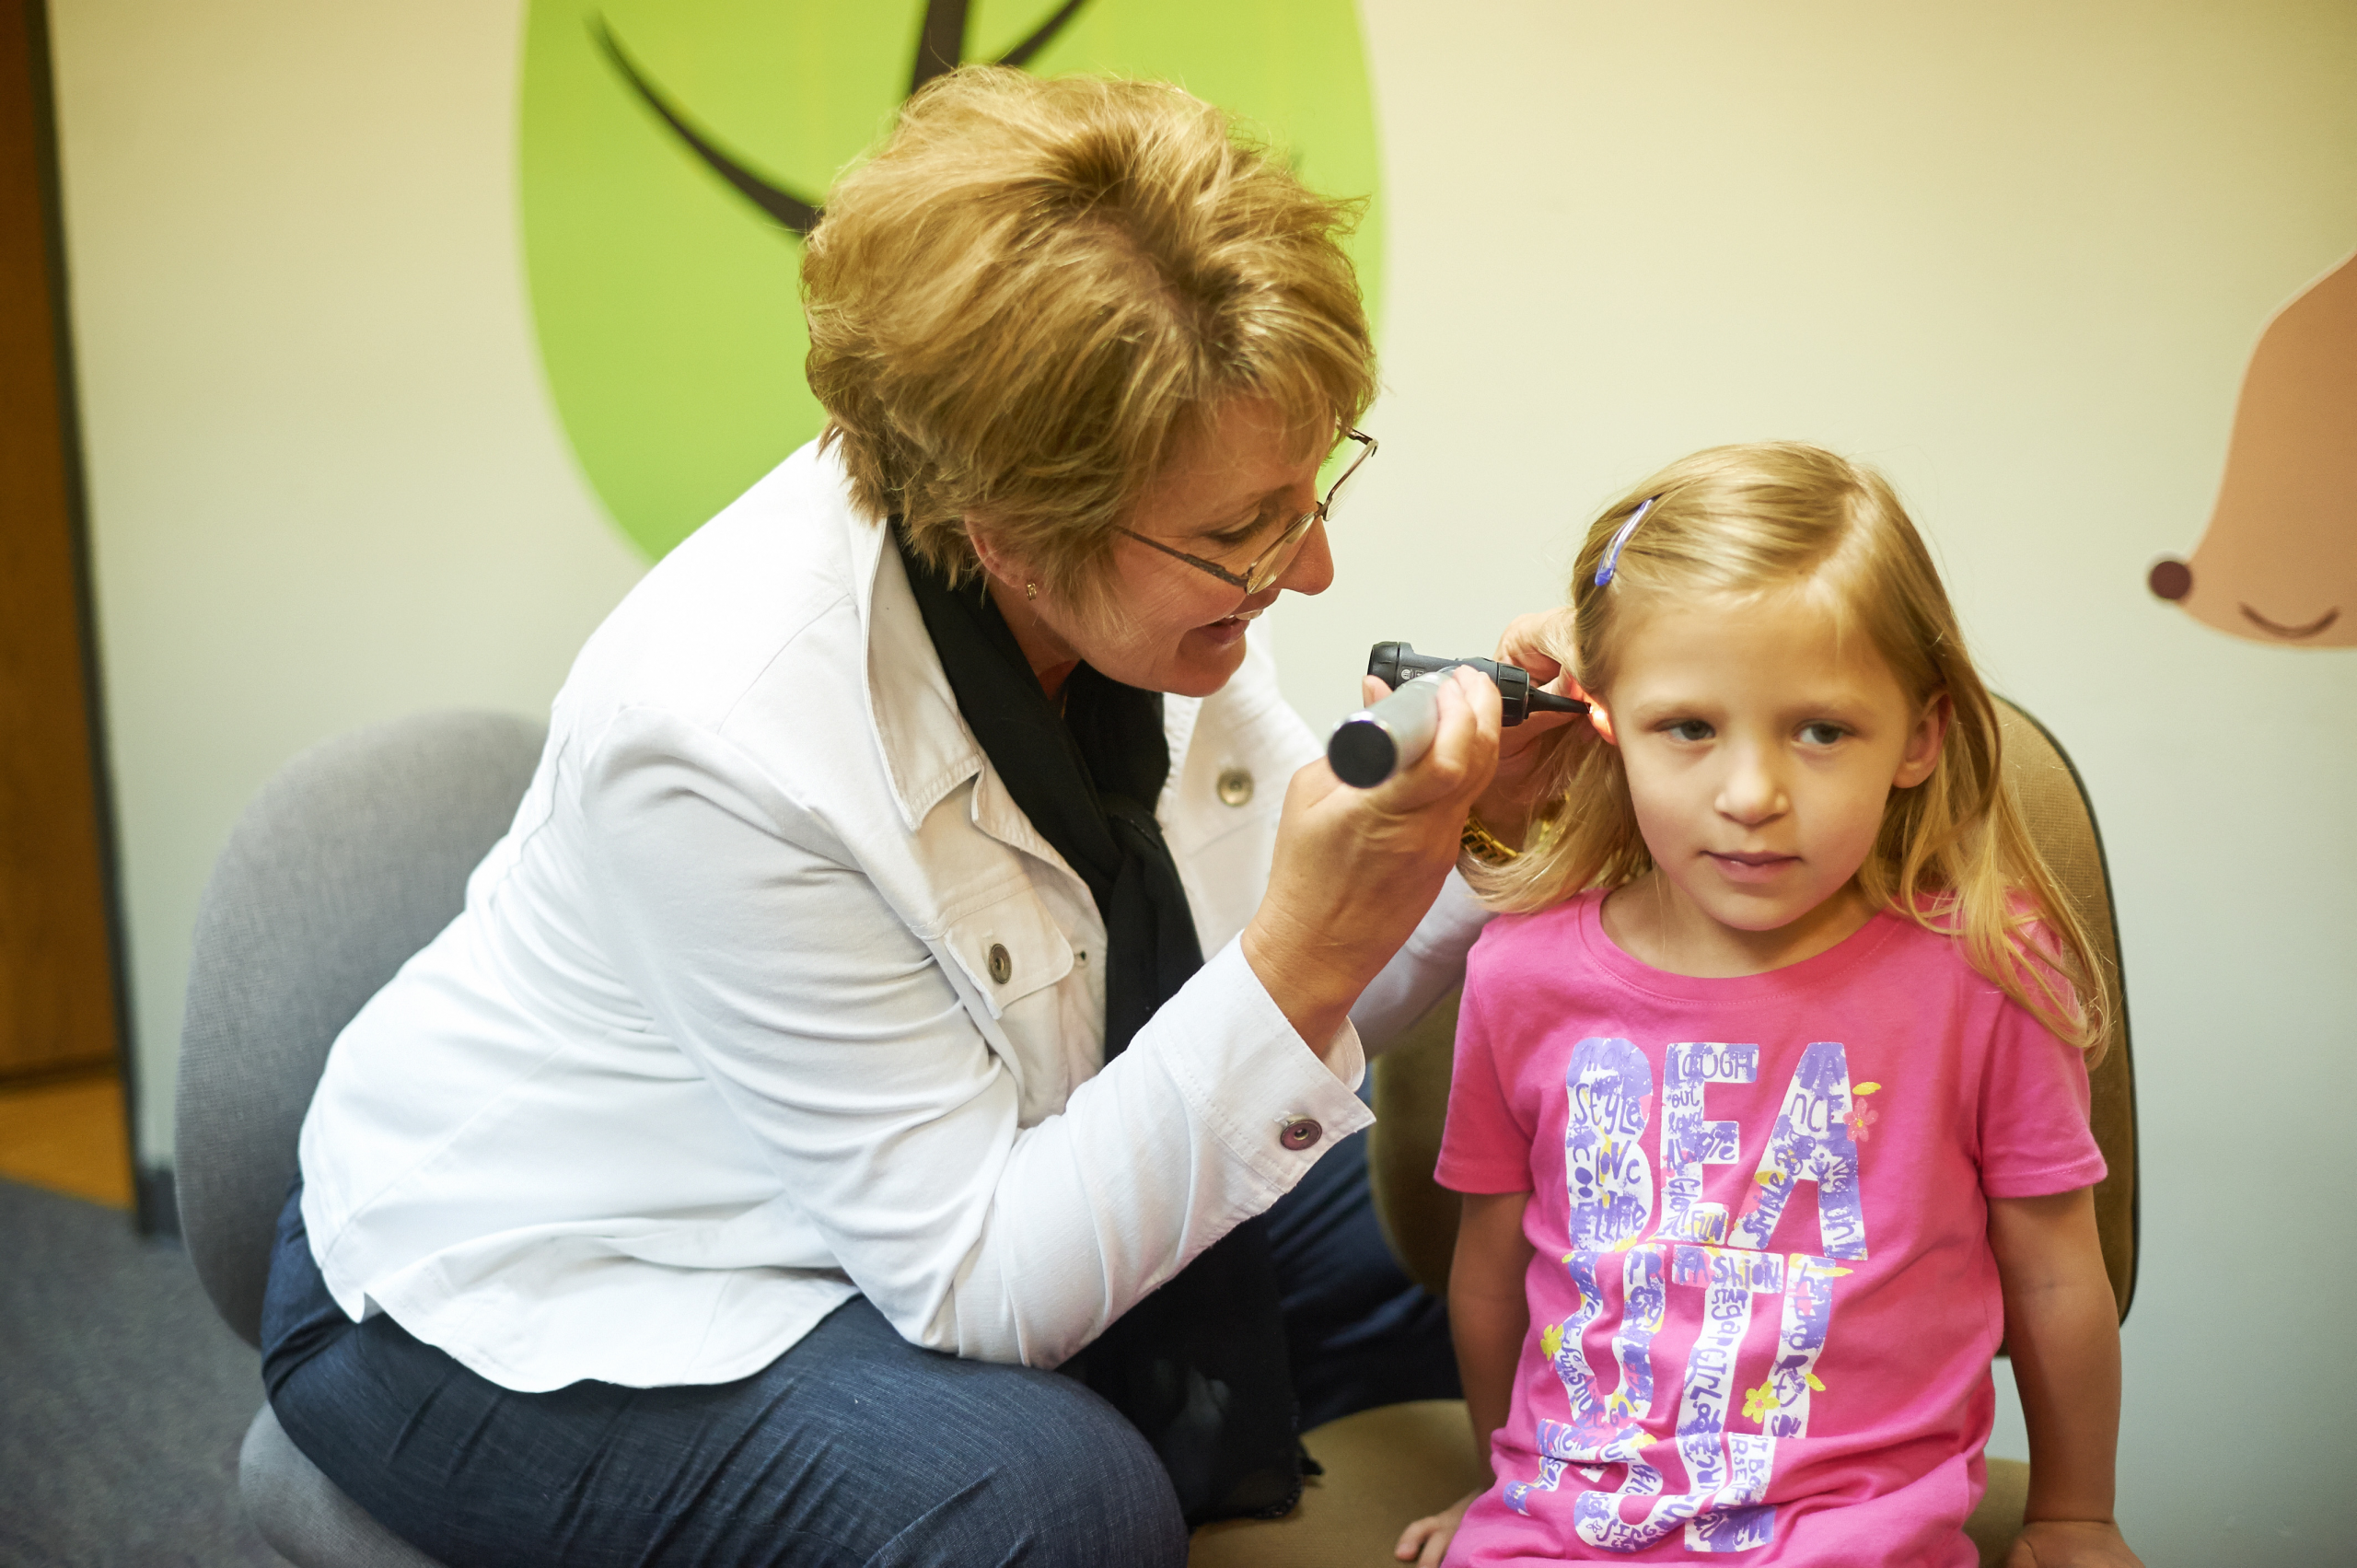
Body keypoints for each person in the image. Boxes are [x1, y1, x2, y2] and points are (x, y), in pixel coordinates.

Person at [260, 67, 1573, 1568]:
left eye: (1308, 487)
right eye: (1244, 532)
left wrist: (1478, 844)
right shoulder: (717, 733)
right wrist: (1302, 953)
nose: (1314, 567)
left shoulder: (1145, 576)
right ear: (1003, 527)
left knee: (1475, 1263)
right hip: (537, 1289)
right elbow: (985, 1275)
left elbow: (1238, 997)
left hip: (972, 1147)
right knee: (1050, 1499)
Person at [1394, 444, 2142, 1566]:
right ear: (1605, 721)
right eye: (1688, 727)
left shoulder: (1985, 975)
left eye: (1821, 730)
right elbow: (1494, 1264)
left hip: (1854, 1538)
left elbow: (2052, 1269)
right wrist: (1512, 1482)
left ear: (1920, 736)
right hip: (1559, 1534)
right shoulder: (1517, 973)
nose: (1750, 795)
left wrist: (2073, 1513)